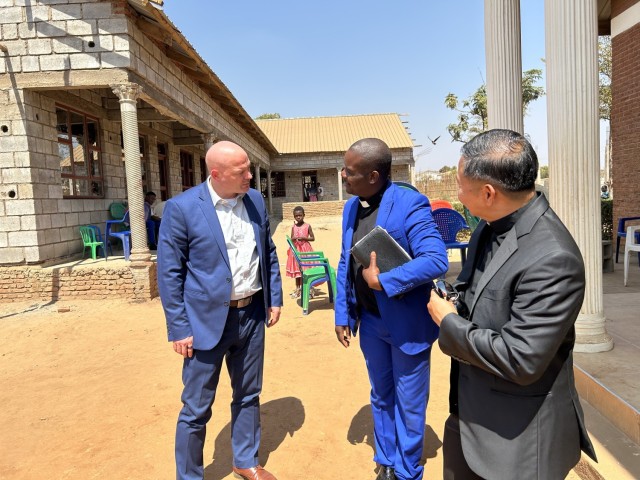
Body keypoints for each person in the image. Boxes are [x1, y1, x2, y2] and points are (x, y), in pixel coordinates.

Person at [427, 129, 597, 480]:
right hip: (471, 420)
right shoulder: (489, 227)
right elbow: (476, 291)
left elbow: (521, 358)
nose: (457, 195)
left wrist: (449, 323)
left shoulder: (553, 258)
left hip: (516, 445)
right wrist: (455, 300)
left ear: (488, 193)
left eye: (460, 185)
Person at [157, 141, 283, 480]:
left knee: (249, 393)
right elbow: (169, 273)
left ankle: (245, 460)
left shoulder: (254, 201)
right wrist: (179, 327)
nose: (250, 176)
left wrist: (274, 297)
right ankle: (190, 476)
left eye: (249, 168)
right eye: (241, 171)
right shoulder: (182, 209)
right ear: (217, 174)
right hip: (204, 323)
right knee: (196, 408)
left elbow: (267, 251)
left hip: (252, 315)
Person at [335, 138, 448, 480]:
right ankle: (386, 459)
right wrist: (343, 313)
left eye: (349, 172)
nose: (343, 176)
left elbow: (435, 260)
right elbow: (346, 260)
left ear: (373, 176)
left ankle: (407, 469)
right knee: (381, 394)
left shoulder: (410, 204)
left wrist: (384, 281)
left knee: (409, 402)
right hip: (370, 322)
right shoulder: (351, 207)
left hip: (406, 322)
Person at [285, 206, 315, 298]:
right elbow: (291, 239)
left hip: (305, 250)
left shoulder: (307, 226)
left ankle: (309, 289)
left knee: (306, 269)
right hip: (296, 251)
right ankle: (298, 289)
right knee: (298, 270)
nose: (298, 217)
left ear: (304, 215)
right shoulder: (293, 227)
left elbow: (313, 238)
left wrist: (305, 238)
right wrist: (293, 239)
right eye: (296, 216)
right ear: (294, 216)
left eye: (300, 215)